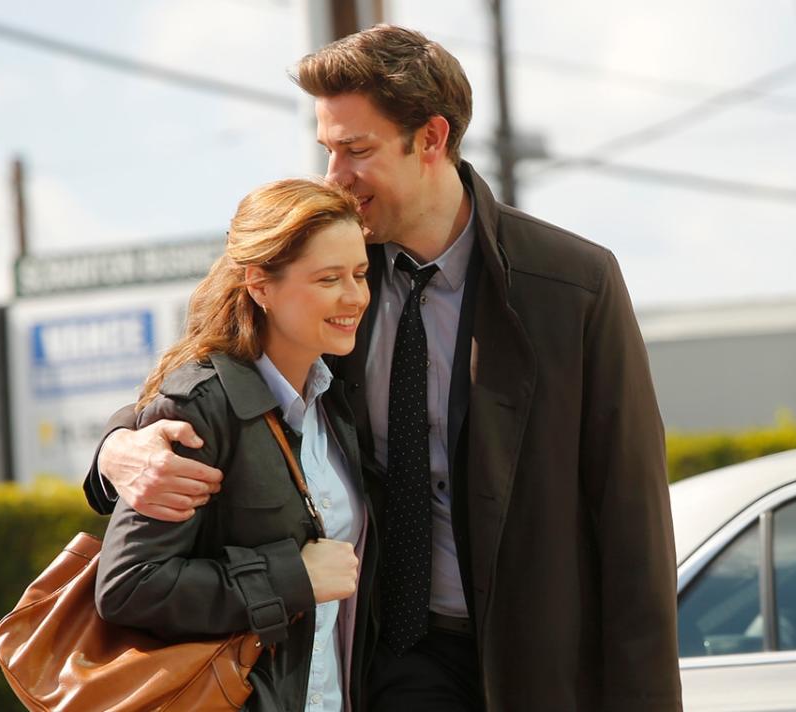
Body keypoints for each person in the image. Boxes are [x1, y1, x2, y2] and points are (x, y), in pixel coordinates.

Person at [85, 25, 682, 711]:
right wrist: (116, 448)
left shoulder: (574, 285)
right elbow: (204, 373)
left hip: (542, 667)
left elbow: (633, 520)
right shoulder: (320, 273)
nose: (334, 175)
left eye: (355, 150)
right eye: (327, 149)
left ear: (430, 139)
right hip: (391, 661)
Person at [92, 177, 377, 712]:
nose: (354, 296)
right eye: (328, 278)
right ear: (260, 285)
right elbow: (130, 586)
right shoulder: (200, 408)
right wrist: (290, 577)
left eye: (360, 274)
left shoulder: (335, 400)